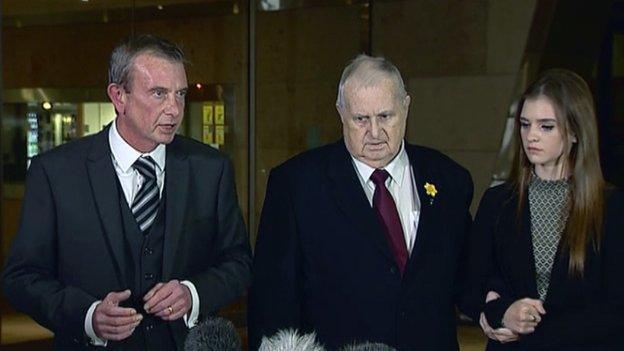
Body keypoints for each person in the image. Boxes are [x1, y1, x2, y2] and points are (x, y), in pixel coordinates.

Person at [2, 34, 251, 350]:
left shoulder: (210, 169)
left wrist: (193, 293)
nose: (174, 109)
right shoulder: (55, 173)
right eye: (159, 93)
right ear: (118, 96)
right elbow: (21, 278)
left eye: (181, 94)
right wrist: (88, 316)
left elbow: (239, 263)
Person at [248, 54, 474, 350]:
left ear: (406, 106)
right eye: (361, 119)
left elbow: (469, 277)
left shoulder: (448, 178)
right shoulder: (296, 185)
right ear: (341, 112)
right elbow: (272, 301)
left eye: (385, 116)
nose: (375, 133)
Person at [460, 69, 624, 350]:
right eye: (525, 124)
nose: (531, 136)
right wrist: (503, 312)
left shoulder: (611, 207)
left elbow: (615, 308)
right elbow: (468, 288)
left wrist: (537, 331)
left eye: (546, 126)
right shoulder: (498, 202)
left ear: (575, 132)